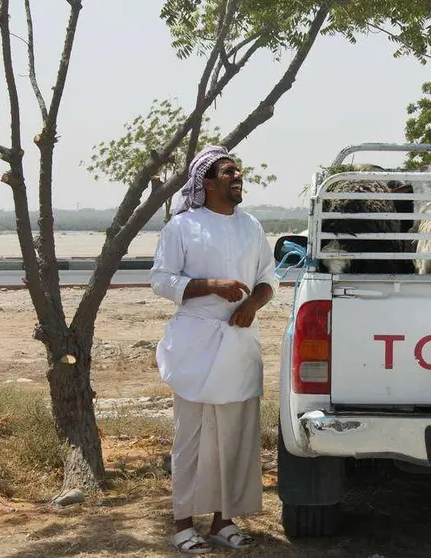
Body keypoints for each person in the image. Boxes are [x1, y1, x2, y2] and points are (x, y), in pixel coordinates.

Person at [150, 145, 278, 553]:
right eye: (228, 172)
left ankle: (224, 522)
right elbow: (161, 279)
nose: (237, 177)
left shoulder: (252, 227)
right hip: (197, 347)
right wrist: (211, 285)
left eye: (239, 171)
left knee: (236, 438)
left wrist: (252, 305)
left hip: (239, 344)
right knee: (191, 440)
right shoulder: (182, 226)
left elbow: (267, 278)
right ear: (206, 183)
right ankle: (184, 523)